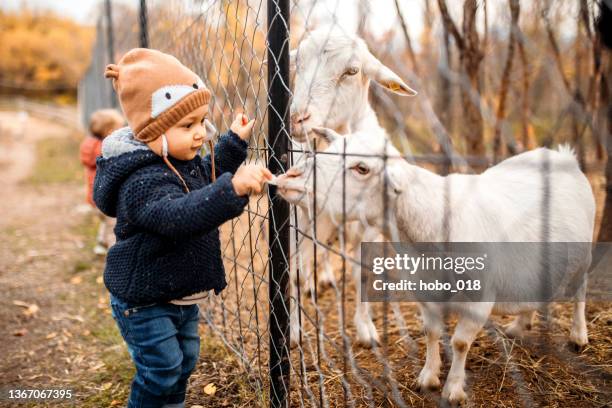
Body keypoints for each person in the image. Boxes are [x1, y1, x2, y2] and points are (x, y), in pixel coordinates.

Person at [93, 48, 272, 408]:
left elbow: (208, 172)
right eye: (187, 125)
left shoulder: (177, 159)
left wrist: (233, 144)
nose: (200, 133)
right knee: (161, 371)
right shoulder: (140, 181)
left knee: (184, 364)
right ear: (153, 131)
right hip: (143, 300)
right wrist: (232, 188)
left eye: (202, 122)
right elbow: (178, 216)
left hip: (178, 292)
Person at [79, 109, 124, 255]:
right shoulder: (105, 150)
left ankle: (100, 244)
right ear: (110, 132)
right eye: (120, 128)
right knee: (113, 225)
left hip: (93, 199)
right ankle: (114, 253)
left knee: (105, 222)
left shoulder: (88, 144)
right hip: (105, 197)